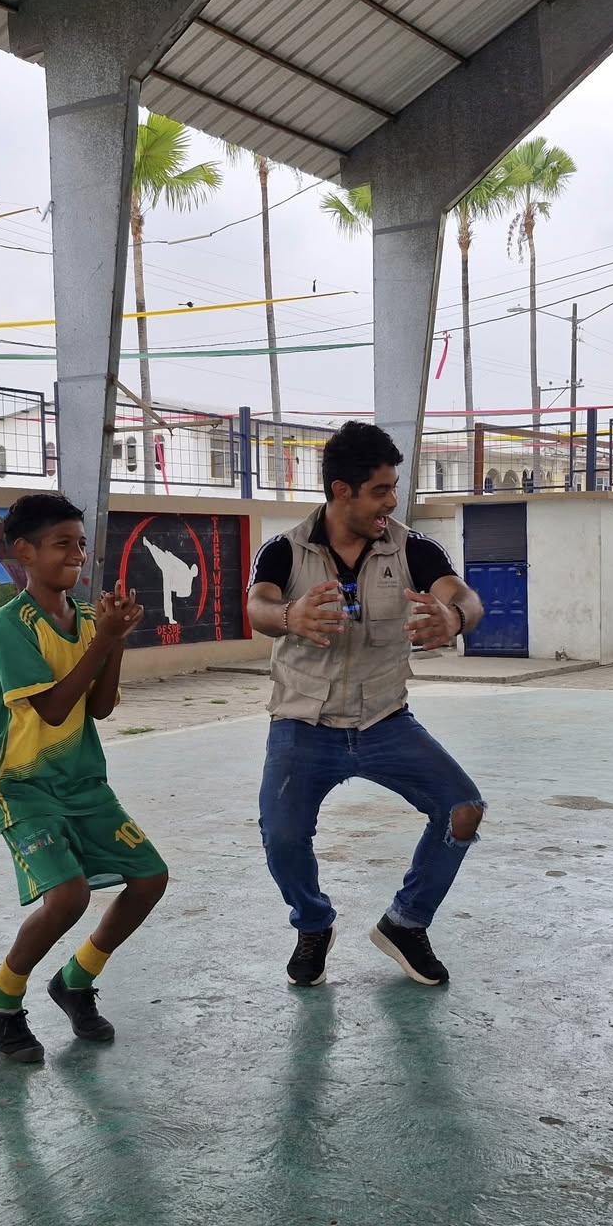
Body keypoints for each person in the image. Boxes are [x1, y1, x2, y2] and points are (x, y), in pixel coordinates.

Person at [247, 421, 486, 987]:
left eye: (393, 488)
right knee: (282, 835)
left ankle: (405, 924)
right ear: (341, 491)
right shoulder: (283, 550)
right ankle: (313, 924)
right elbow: (258, 606)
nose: (391, 501)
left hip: (385, 721)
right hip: (303, 723)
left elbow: (463, 596)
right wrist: (289, 616)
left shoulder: (413, 548)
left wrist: (454, 618)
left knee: (462, 809)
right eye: (380, 490)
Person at [0, 493, 168, 1065]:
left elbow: (99, 707)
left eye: (81, 544)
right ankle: (2, 999)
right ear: (24, 552)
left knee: (150, 878)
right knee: (68, 897)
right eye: (63, 544)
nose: (77, 554)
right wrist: (104, 639)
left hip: (82, 781)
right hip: (21, 786)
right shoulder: (11, 624)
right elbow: (54, 709)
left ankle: (76, 980)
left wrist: (115, 641)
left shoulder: (85, 620)